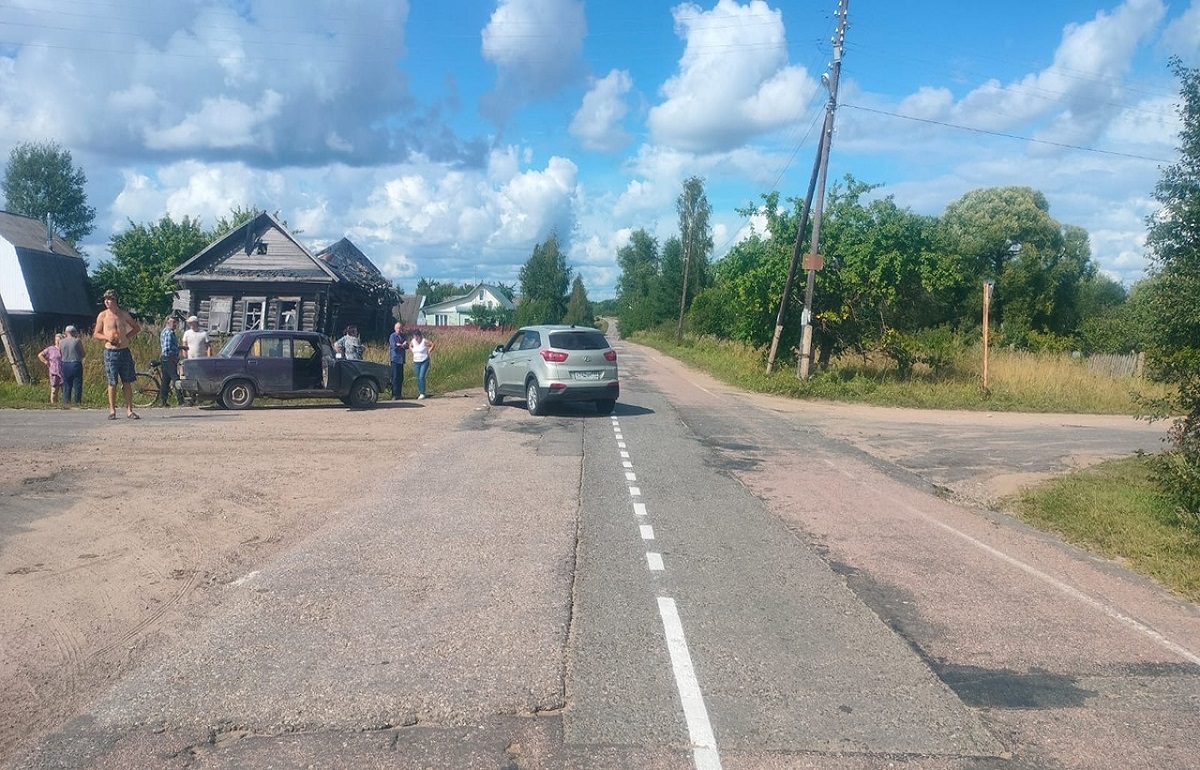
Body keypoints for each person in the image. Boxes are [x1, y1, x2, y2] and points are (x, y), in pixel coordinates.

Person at [93, 289, 142, 420]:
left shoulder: (123, 314)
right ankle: (112, 410)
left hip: (124, 350)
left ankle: (129, 410)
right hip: (110, 352)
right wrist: (107, 338)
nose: (107, 301)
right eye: (105, 299)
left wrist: (125, 337)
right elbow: (96, 333)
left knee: (127, 381)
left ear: (115, 300)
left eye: (109, 299)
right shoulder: (102, 316)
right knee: (112, 382)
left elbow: (136, 328)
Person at [59, 325, 85, 405]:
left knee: (67, 383)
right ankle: (77, 401)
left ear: (66, 332)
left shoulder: (61, 341)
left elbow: (60, 353)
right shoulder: (77, 341)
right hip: (75, 363)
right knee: (77, 383)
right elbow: (83, 354)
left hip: (65, 364)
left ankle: (67, 401)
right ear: (74, 332)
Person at [158, 316, 181, 406]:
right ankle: (181, 400)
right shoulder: (169, 333)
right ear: (168, 323)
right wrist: (174, 360)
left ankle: (163, 401)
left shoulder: (165, 331)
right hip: (168, 359)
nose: (175, 324)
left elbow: (170, 347)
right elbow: (167, 350)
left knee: (165, 380)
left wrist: (180, 348)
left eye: (176, 322)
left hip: (164, 358)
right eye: (173, 322)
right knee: (176, 379)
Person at [38, 334, 64, 405]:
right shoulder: (50, 349)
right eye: (56, 340)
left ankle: (65, 405)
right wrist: (46, 362)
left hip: (64, 372)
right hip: (54, 372)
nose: (58, 342)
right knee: (54, 390)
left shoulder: (65, 349)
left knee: (64, 390)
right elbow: (40, 355)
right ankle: (53, 404)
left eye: (60, 340)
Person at [410, 329, 433, 399]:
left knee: (421, 376)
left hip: (424, 361)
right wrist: (412, 350)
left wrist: (429, 350)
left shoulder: (424, 341)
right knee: (417, 377)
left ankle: (423, 392)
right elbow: (410, 346)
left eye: (417, 337)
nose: (416, 338)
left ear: (419, 336)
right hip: (416, 361)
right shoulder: (413, 341)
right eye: (414, 337)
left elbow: (432, 344)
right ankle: (420, 392)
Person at [387, 322, 408, 399]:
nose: (399, 330)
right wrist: (401, 345)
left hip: (401, 359)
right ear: (395, 328)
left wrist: (403, 345)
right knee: (394, 377)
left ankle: (399, 394)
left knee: (400, 377)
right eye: (397, 328)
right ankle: (394, 394)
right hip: (395, 359)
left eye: (400, 328)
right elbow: (394, 346)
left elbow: (406, 346)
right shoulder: (392, 336)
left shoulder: (403, 336)